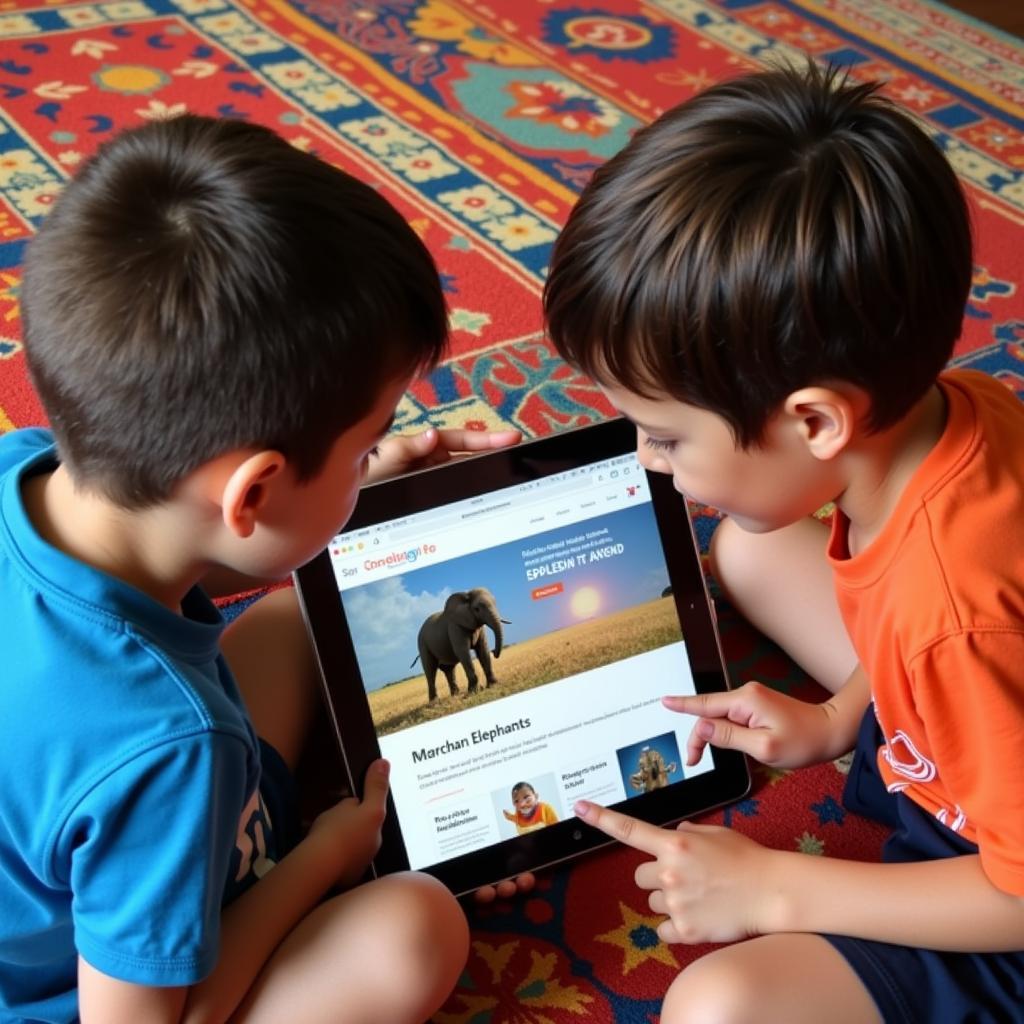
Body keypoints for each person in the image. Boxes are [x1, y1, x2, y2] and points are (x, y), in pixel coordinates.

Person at [0, 113, 526, 1023]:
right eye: (364, 450)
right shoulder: (169, 745)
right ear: (252, 494)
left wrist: (346, 488)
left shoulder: (27, 464)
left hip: (66, 837)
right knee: (416, 928)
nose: (371, 463)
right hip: (79, 994)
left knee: (297, 618)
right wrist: (325, 854)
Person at [542, 62, 1024, 1023]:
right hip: (971, 699)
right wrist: (844, 715)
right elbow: (916, 623)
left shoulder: (955, 617)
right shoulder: (953, 412)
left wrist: (777, 889)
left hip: (1000, 889)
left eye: (668, 436)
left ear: (815, 423)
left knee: (719, 1007)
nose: (649, 461)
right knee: (753, 551)